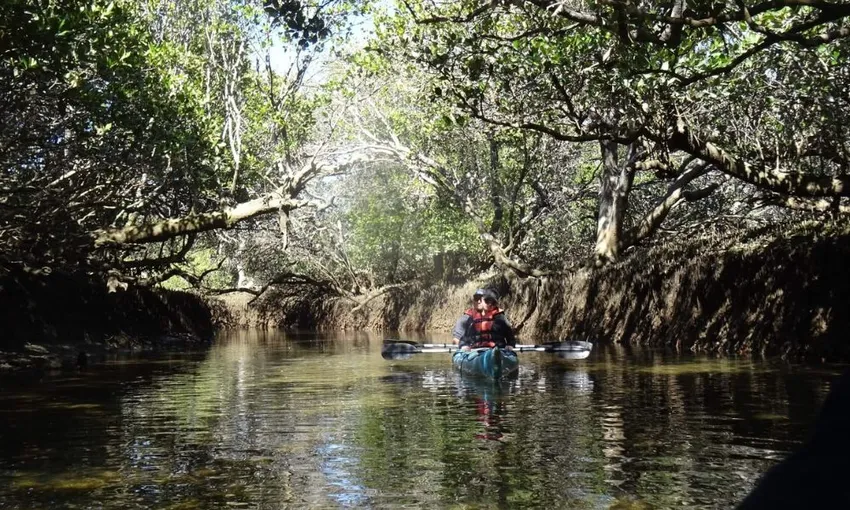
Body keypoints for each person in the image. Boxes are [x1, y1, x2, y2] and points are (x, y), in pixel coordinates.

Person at [452, 288, 517, 351]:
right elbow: (463, 339)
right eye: (476, 299)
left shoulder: (500, 317)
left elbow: (510, 336)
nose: (479, 301)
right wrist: (463, 345)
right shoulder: (469, 319)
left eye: (481, 299)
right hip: (475, 350)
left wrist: (510, 345)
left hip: (497, 350)